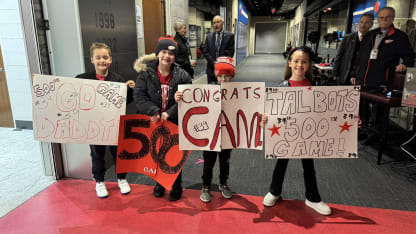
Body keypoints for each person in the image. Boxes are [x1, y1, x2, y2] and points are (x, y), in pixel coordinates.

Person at [261, 46, 332, 216]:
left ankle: (313, 197)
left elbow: (326, 111)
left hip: (307, 133)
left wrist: (349, 119)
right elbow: (272, 113)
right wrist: (265, 119)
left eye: (304, 62)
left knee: (309, 164)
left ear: (309, 65)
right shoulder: (282, 86)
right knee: (281, 162)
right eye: (296, 61)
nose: (300, 65)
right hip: (286, 133)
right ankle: (274, 191)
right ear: (290, 63)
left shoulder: (314, 86)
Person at [133, 36, 192, 201]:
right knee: (156, 153)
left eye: (171, 54)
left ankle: (176, 185)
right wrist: (153, 111)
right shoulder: (146, 74)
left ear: (175, 57)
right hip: (154, 121)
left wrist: (172, 110)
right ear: (158, 54)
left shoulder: (182, 75)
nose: (167, 56)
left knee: (174, 154)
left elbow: (191, 99)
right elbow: (139, 96)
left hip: (174, 121)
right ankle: (159, 183)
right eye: (164, 52)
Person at [76, 43, 135, 198]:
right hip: (94, 125)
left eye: (105, 57)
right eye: (98, 57)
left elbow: (125, 102)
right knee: (97, 154)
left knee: (118, 153)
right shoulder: (83, 79)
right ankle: (99, 181)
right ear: (92, 60)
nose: (102, 60)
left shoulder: (117, 79)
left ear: (110, 60)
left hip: (113, 123)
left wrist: (129, 90)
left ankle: (122, 179)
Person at [174, 56, 235, 203]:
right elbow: (193, 100)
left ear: (231, 77)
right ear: (216, 76)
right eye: (220, 75)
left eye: (227, 76)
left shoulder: (236, 92)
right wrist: (179, 96)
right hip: (210, 134)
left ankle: (223, 182)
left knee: (225, 161)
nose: (223, 79)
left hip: (227, 134)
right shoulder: (209, 90)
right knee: (208, 161)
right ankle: (206, 185)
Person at [351, 6, 415, 145]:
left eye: (387, 17)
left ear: (392, 18)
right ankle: (362, 129)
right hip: (363, 78)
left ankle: (375, 134)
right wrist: (354, 74)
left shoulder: (399, 36)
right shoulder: (371, 34)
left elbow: (410, 56)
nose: (384, 20)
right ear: (378, 19)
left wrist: (404, 65)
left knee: (378, 110)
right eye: (381, 17)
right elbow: (360, 57)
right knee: (361, 106)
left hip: (383, 81)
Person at [333, 13, 374, 85]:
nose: (363, 25)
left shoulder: (373, 40)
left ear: (371, 25)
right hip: (345, 76)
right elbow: (339, 56)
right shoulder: (347, 38)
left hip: (360, 79)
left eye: (367, 23)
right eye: (361, 22)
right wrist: (335, 73)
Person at [203, 15, 235, 84]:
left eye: (218, 22)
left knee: (224, 91)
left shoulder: (230, 36)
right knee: (212, 91)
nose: (216, 25)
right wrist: (213, 62)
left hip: (224, 71)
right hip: (211, 69)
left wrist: (220, 62)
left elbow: (231, 52)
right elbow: (205, 51)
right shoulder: (209, 36)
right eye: (214, 23)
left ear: (222, 23)